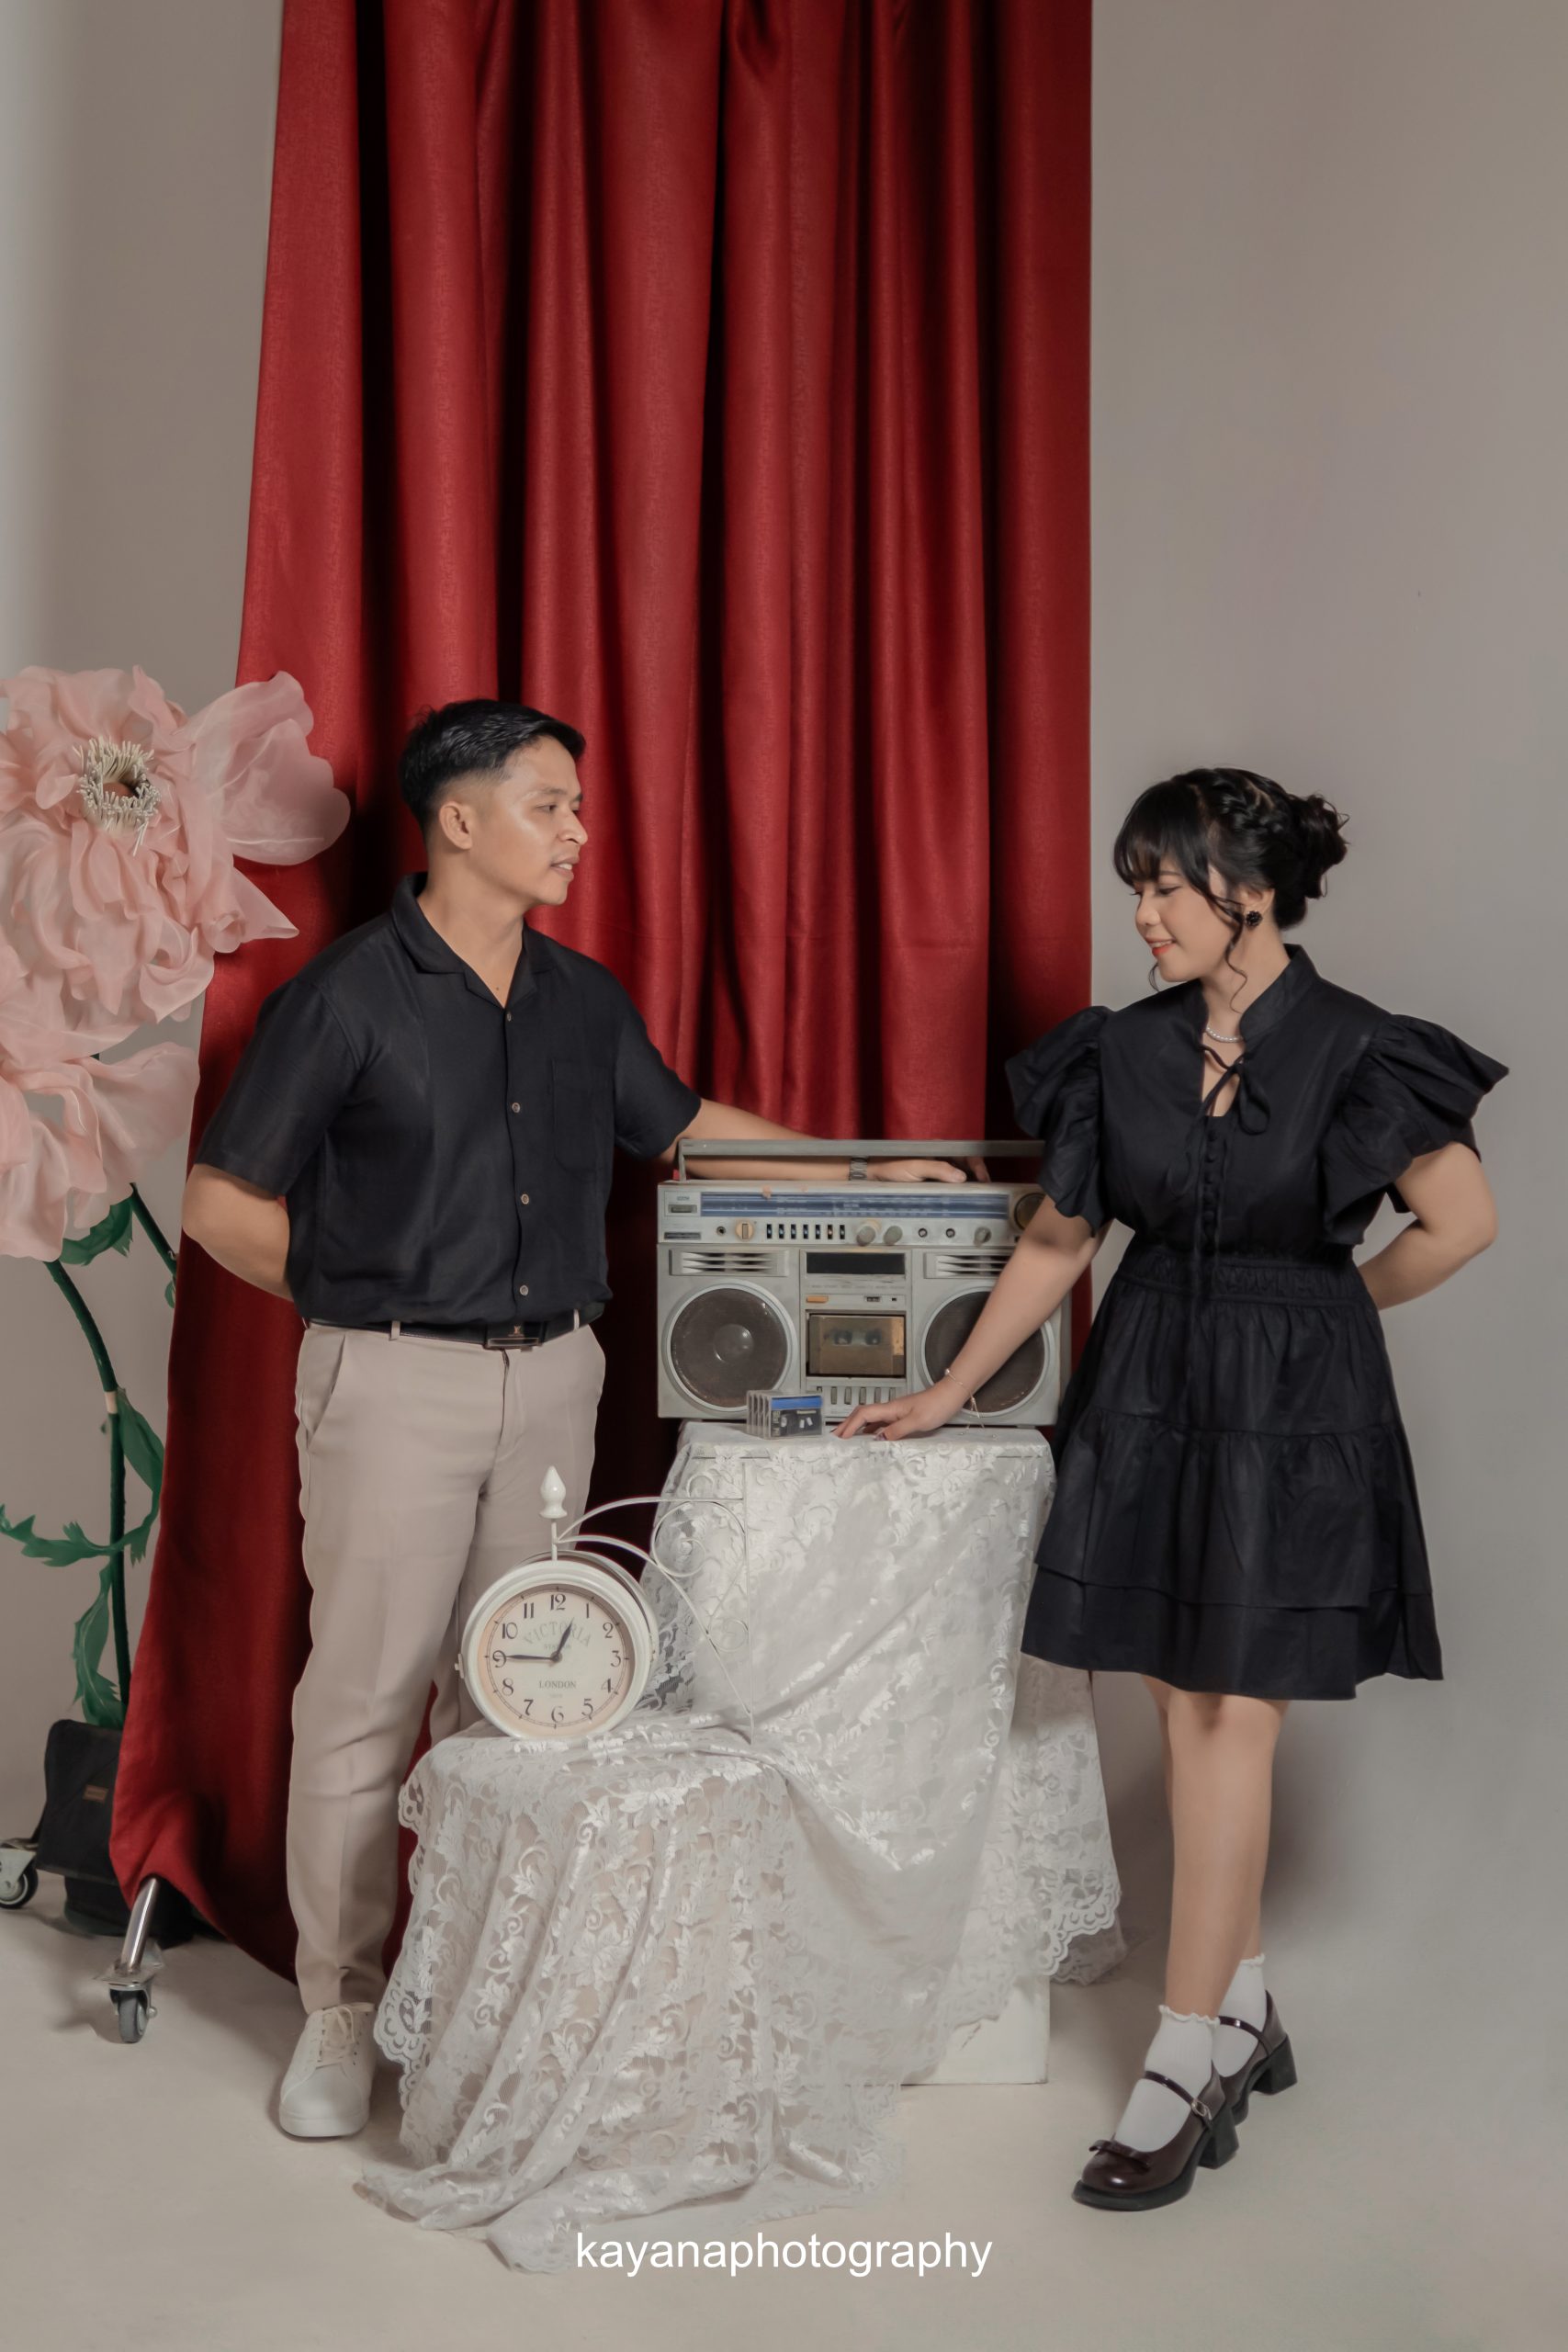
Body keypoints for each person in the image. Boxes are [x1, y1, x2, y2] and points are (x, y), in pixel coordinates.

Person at [182, 696, 968, 2140]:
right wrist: (363, 1288)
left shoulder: (582, 1000)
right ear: (460, 818)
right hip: (392, 1379)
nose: (579, 833)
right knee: (364, 1699)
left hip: (558, 1378)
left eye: (577, 807)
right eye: (549, 805)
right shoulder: (345, 997)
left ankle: (479, 2000)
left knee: (522, 1701)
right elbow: (222, 1201)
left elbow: (683, 1128)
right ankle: (340, 2010)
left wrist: (859, 1174)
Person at [839, 765, 1506, 2212]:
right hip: (1146, 1381)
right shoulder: (1122, 1049)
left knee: (1224, 1718)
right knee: (1174, 1699)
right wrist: (951, 1391)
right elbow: (1062, 1240)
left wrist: (1328, 1317)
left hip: (1288, 1412)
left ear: (1251, 893)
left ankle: (1184, 2054)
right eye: (1133, 886)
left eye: (1165, 886)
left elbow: (1462, 1221)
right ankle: (1246, 2004)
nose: (1141, 914)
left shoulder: (1361, 1046)